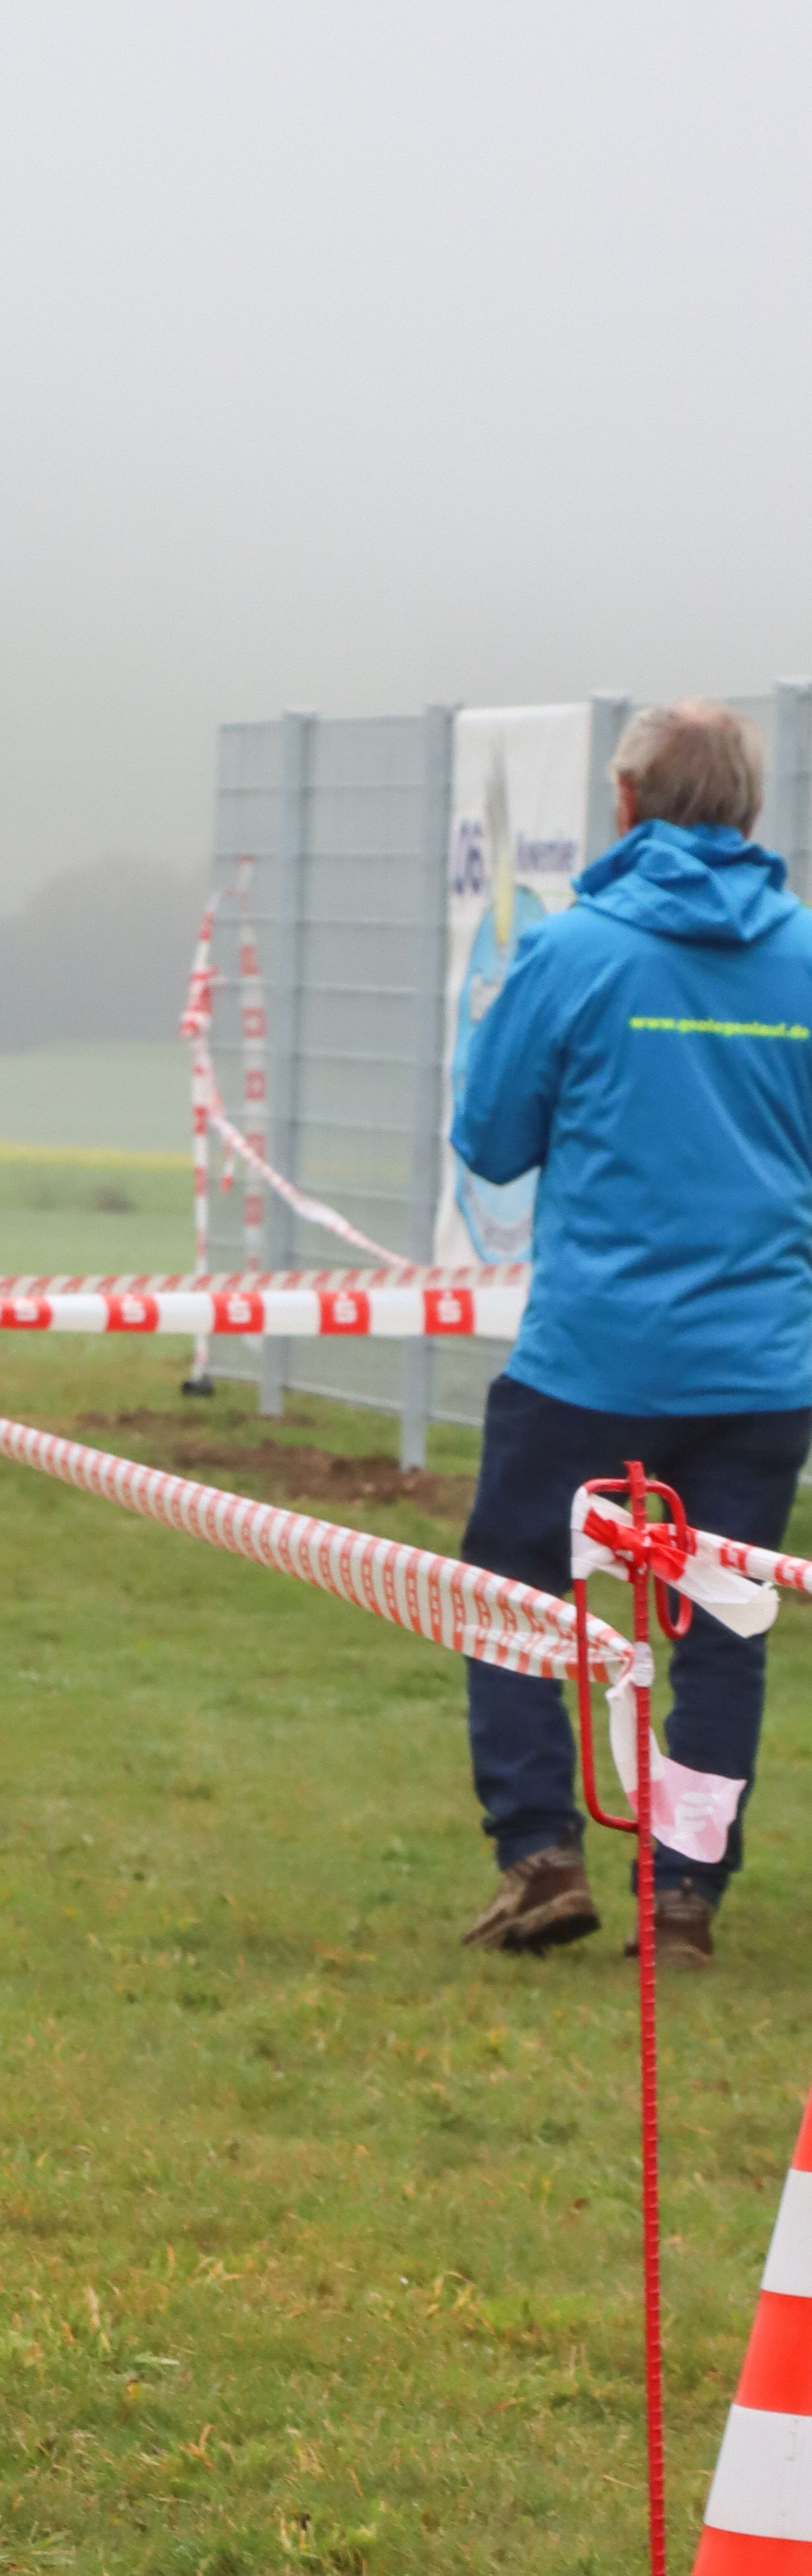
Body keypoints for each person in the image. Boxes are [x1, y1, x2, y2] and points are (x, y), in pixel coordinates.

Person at [455, 700, 812, 1967]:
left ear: (624, 804)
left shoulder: (574, 952)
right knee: (720, 1627)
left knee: (512, 1593)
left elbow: (490, 1140)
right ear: (750, 811)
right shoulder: (805, 956)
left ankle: (543, 1854)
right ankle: (685, 1894)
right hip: (761, 1367)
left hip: (591, 1360)